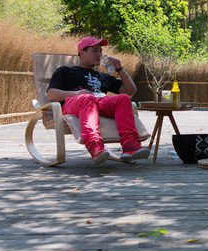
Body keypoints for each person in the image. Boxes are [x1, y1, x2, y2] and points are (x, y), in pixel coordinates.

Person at [47, 36, 149, 164]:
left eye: (100, 51)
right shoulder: (65, 71)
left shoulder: (103, 76)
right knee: (87, 98)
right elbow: (51, 94)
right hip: (75, 103)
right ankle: (95, 146)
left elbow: (130, 91)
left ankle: (130, 146)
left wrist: (120, 69)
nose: (99, 54)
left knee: (123, 98)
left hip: (99, 103)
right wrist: (77, 94)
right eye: (95, 50)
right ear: (82, 52)